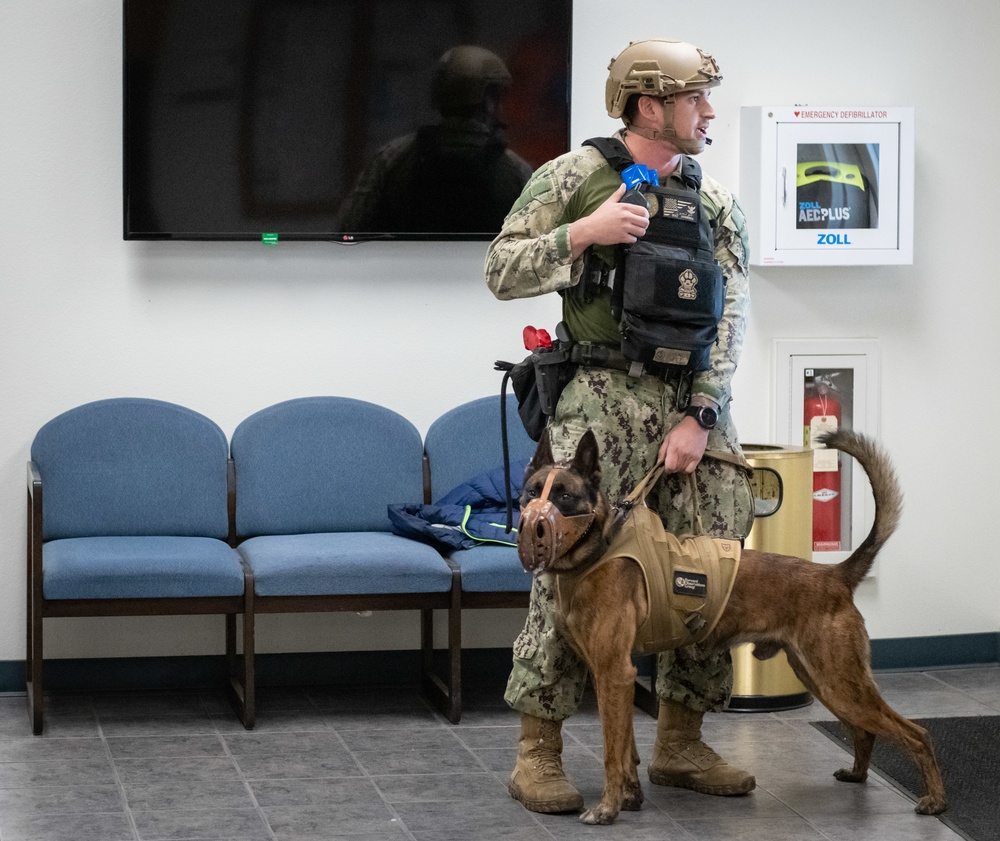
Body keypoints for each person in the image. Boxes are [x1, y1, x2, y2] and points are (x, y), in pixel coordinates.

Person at [485, 39, 755, 814]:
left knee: (711, 571)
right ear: (648, 104)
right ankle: (539, 751)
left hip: (691, 411)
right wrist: (584, 233)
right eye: (695, 98)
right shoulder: (572, 178)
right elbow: (500, 268)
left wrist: (703, 414)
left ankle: (679, 740)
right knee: (562, 566)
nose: (709, 112)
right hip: (598, 403)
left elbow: (730, 316)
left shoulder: (714, 204)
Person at [338, 45, 533, 234]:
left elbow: (350, 228)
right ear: (488, 101)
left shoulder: (392, 159)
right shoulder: (515, 170)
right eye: (497, 97)